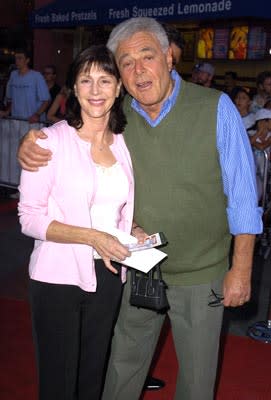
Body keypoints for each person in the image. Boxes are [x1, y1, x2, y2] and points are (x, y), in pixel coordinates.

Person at [17, 17, 262, 400]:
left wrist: (241, 269)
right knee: (120, 372)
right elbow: (76, 136)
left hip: (201, 272)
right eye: (126, 62)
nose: (138, 70)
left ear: (169, 57)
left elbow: (245, 199)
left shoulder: (216, 108)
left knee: (197, 383)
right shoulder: (119, 115)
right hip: (136, 267)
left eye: (146, 56)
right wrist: (32, 141)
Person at [17, 44, 134, 400]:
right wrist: (91, 237)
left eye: (104, 80)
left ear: (118, 88)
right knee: (59, 381)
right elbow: (30, 218)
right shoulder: (48, 142)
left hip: (110, 274)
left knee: (92, 374)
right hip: (57, 278)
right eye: (86, 80)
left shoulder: (125, 144)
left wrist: (133, 230)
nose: (96, 90)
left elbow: (115, 209)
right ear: (73, 89)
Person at [0, 49, 50, 123]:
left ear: (27, 60)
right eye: (16, 58)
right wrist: (7, 112)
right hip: (16, 121)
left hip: (32, 122)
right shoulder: (13, 75)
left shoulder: (37, 76)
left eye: (20, 58)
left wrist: (37, 114)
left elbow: (47, 100)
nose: (17, 61)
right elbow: (11, 99)